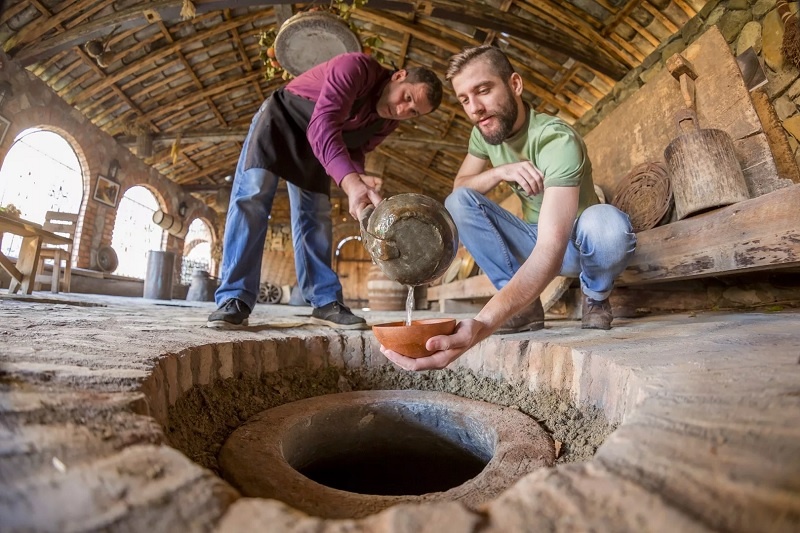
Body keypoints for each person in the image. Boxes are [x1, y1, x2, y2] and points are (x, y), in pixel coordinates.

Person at [381, 45, 636, 371]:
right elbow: (461, 186)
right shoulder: (483, 133)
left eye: (483, 90)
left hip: (575, 242)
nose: (475, 108)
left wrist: (484, 322)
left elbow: (551, 248)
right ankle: (524, 308)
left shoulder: (555, 139)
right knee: (457, 201)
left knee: (607, 226)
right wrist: (500, 172)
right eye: (464, 99)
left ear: (514, 84)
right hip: (532, 239)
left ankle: (596, 297)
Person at [208, 52, 443, 329]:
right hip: (281, 121)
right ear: (399, 76)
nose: (403, 111)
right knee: (253, 196)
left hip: (318, 148)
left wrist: (360, 179)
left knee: (316, 214)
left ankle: (324, 301)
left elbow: (356, 148)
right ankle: (234, 297)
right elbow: (323, 123)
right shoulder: (356, 67)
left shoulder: (387, 122)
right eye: (407, 97)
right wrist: (350, 182)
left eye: (413, 112)